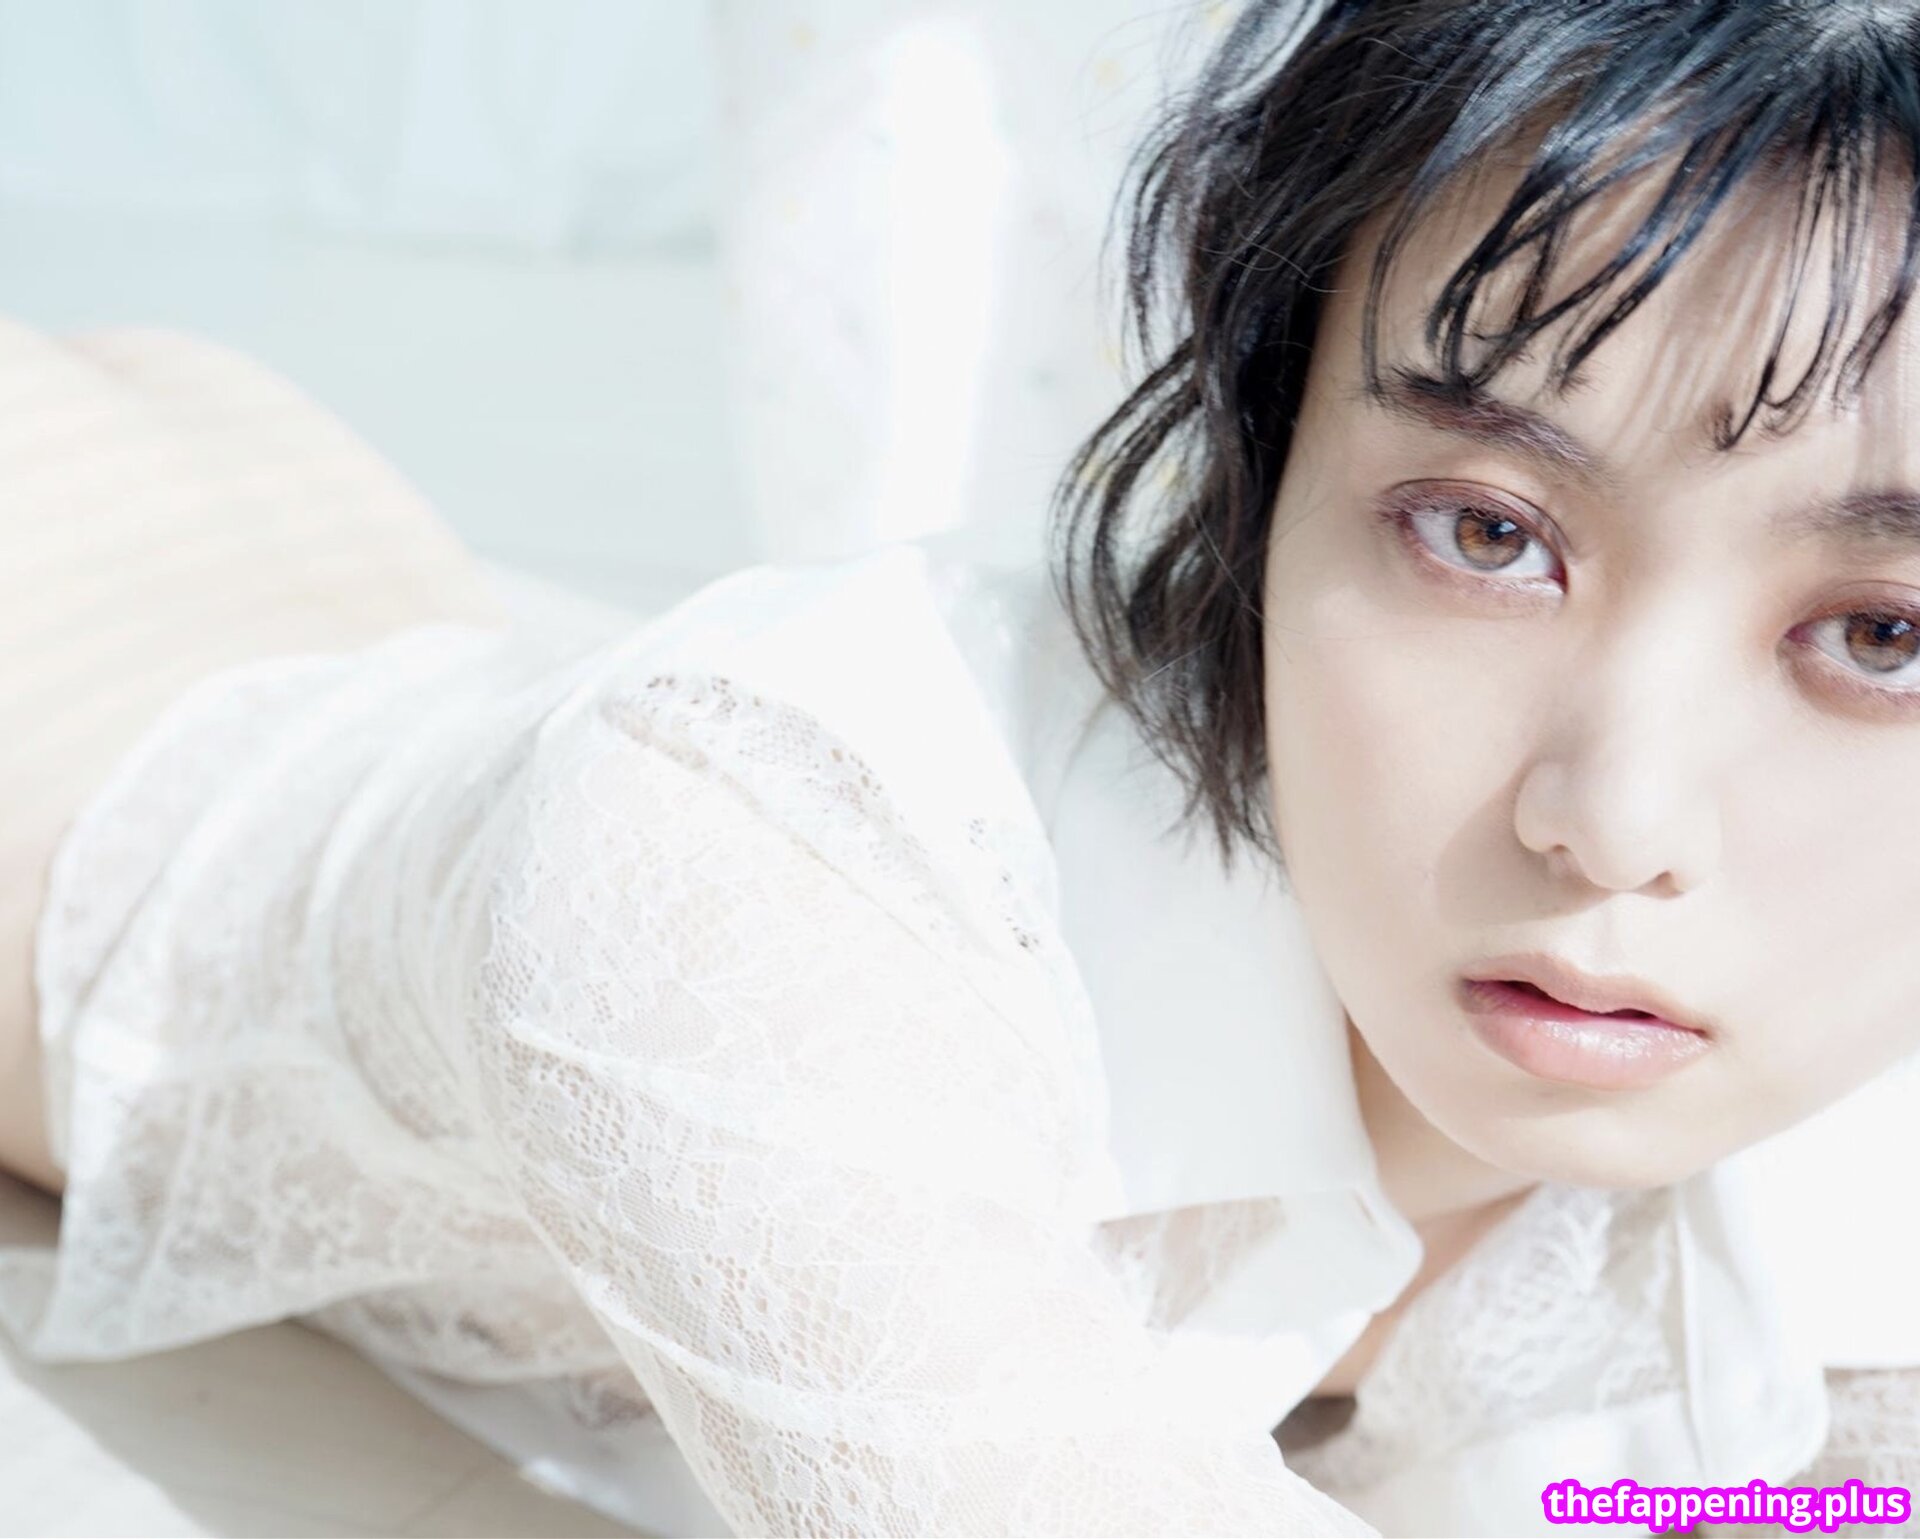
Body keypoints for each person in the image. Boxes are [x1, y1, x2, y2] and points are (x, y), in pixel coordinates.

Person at [4, 0, 1920, 1533]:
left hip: (338, 575)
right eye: (1486, 532)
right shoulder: (753, 862)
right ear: (1258, 481)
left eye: (1882, 638)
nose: (1616, 817)